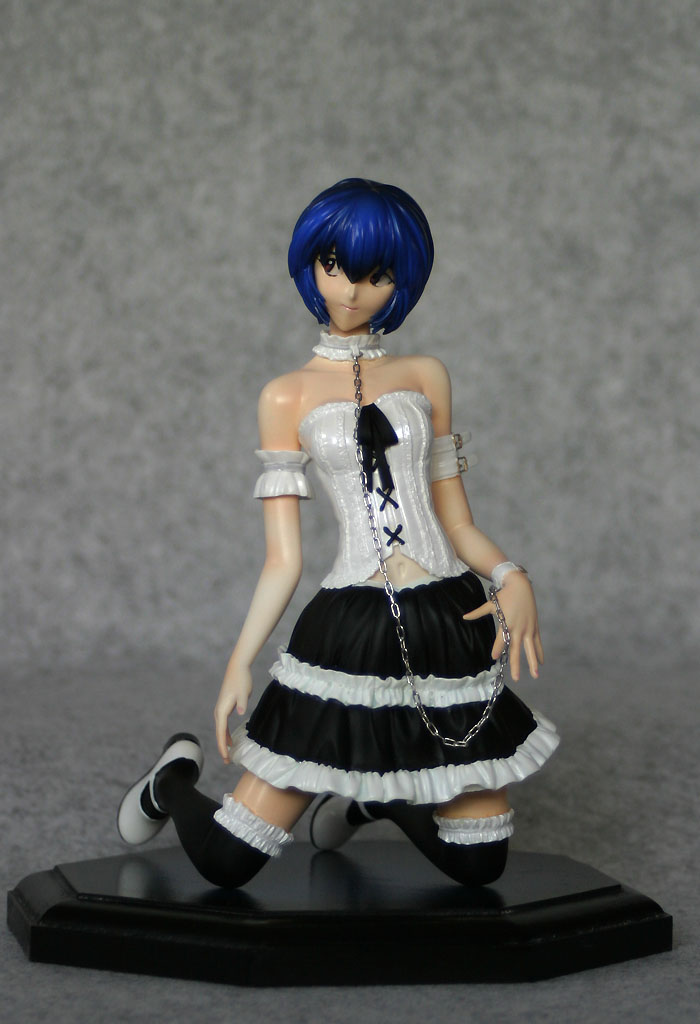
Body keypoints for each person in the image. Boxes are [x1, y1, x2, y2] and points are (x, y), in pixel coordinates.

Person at [118, 179, 558, 888]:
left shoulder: (426, 375)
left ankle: (373, 801)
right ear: (311, 266)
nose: (351, 291)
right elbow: (282, 560)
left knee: (480, 862)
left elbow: (457, 520)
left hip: (448, 618)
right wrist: (239, 662)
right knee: (229, 861)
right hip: (351, 628)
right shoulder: (285, 395)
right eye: (334, 266)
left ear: (402, 280)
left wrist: (511, 575)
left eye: (375, 274)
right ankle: (169, 783)